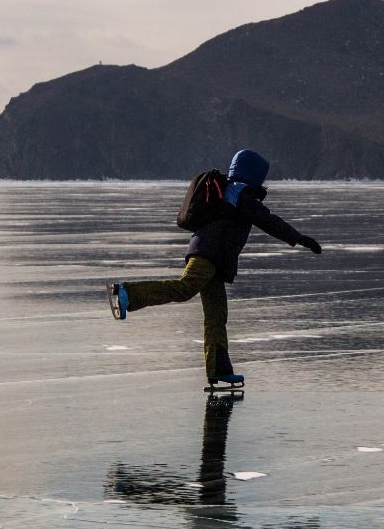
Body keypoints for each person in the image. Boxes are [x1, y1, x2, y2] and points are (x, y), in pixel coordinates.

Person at [106, 149, 322, 387]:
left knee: (216, 314)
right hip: (209, 253)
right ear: (253, 173)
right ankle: (127, 293)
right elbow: (269, 222)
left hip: (211, 254)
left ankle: (218, 368)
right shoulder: (242, 195)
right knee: (185, 288)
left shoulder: (228, 190)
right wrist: (299, 238)